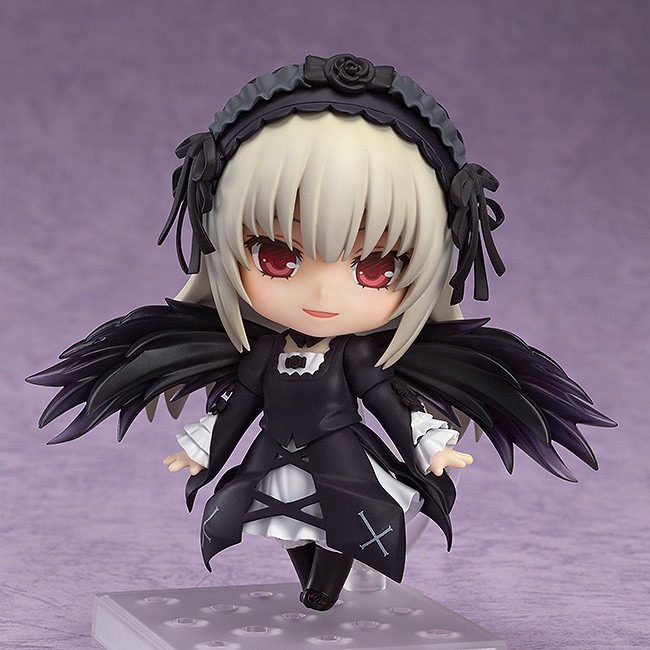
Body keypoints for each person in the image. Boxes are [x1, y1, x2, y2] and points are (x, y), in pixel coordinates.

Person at [28, 54, 615, 611]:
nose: (323, 296)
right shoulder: (261, 354)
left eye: (375, 268)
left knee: (345, 519)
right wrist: (200, 449)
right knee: (278, 519)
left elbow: (388, 405)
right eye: (278, 256)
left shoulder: (356, 357)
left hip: (340, 457)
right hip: (275, 452)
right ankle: (316, 579)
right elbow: (239, 409)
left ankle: (324, 588)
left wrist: (429, 446)